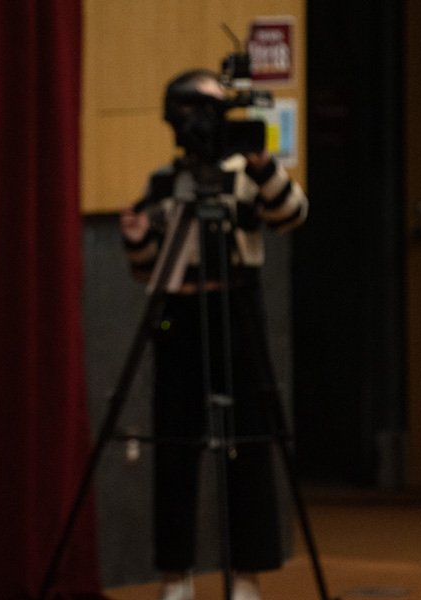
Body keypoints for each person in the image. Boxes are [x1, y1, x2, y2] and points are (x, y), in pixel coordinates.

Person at [119, 69, 309, 600]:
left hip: (236, 310)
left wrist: (264, 164)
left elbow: (292, 215)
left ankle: (245, 578)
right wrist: (136, 239)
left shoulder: (246, 174)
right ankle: (175, 578)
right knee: (175, 448)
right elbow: (147, 268)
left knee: (248, 446)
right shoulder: (164, 182)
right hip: (179, 319)